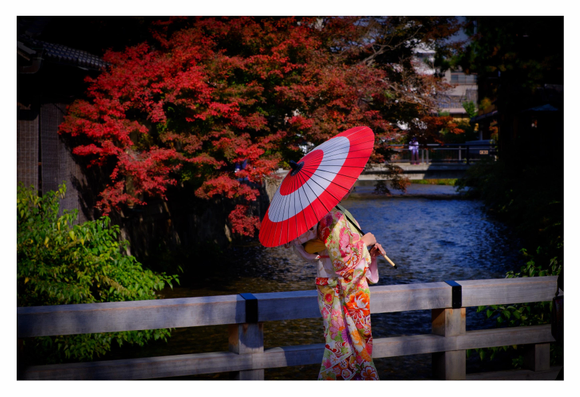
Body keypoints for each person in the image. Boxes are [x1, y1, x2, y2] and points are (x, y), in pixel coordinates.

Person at [287, 188, 385, 380]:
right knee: (347, 344)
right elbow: (343, 262)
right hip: (341, 288)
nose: (351, 188)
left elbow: (318, 254)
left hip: (330, 286)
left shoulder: (327, 214)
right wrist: (364, 243)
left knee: (341, 343)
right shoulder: (332, 216)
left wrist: (369, 255)